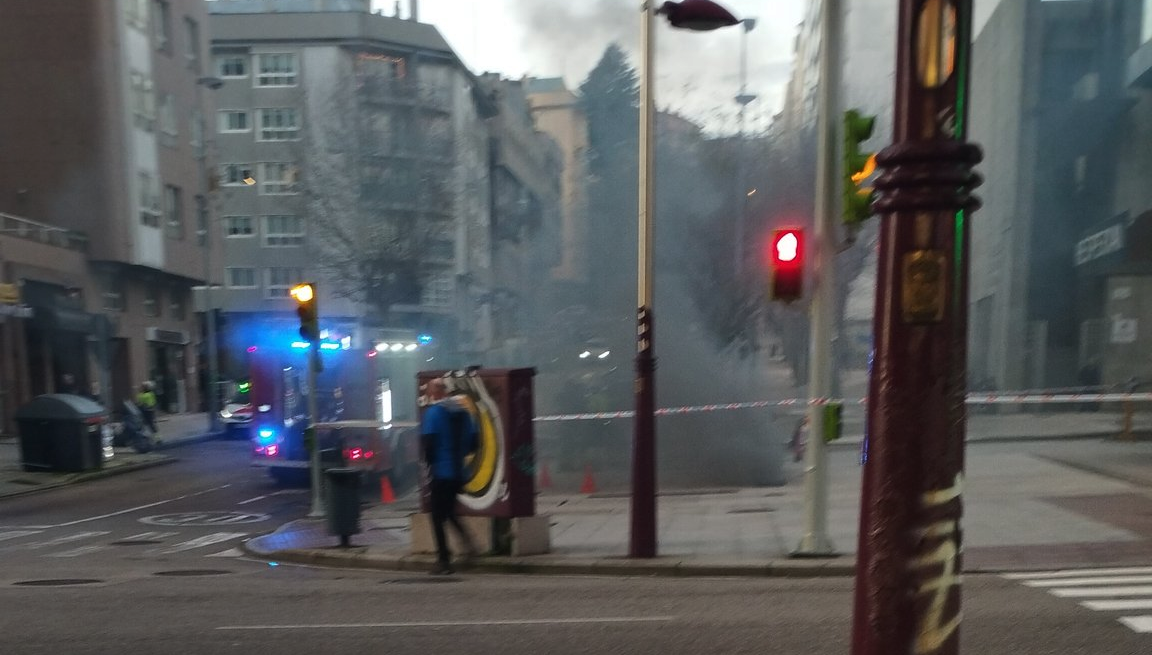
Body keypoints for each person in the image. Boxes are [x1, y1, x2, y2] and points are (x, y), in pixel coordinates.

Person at [420, 377, 478, 575]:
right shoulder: (464, 413)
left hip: (441, 472)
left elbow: (428, 444)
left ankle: (444, 561)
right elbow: (474, 443)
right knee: (449, 512)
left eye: (429, 391)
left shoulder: (433, 413)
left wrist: (430, 466)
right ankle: (469, 544)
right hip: (458, 472)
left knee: (437, 517)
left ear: (435, 392)